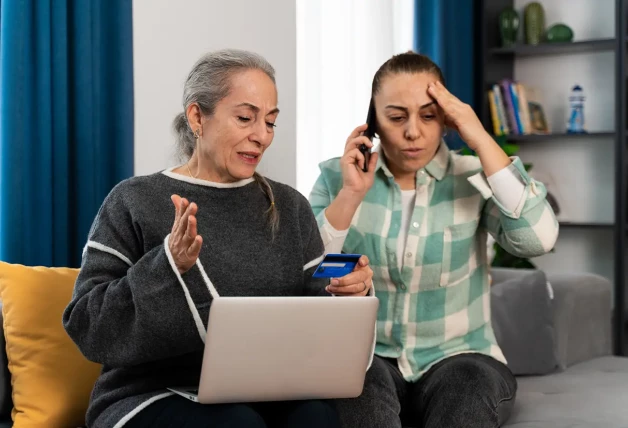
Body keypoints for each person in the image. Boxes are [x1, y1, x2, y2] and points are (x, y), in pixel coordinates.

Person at [62, 49, 374, 428]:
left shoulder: (289, 206)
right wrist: (167, 266)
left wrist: (349, 292)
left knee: (318, 415)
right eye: (245, 118)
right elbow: (87, 325)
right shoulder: (133, 200)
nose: (261, 136)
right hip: (148, 395)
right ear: (197, 117)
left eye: (271, 122)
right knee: (236, 424)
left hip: (265, 392)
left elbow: (315, 310)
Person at [309, 51, 559, 428]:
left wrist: (478, 137)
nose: (413, 131)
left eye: (428, 115)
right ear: (372, 121)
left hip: (462, 356)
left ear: (446, 118)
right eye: (396, 117)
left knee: (467, 388)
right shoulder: (336, 178)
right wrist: (350, 196)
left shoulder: (476, 176)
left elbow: (539, 238)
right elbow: (305, 274)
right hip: (369, 354)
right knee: (358, 385)